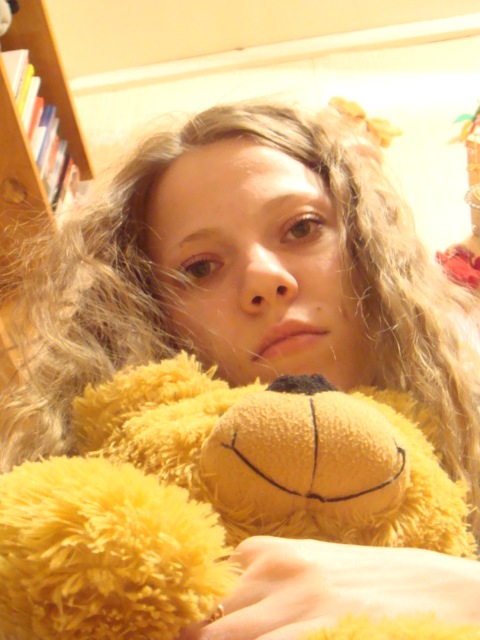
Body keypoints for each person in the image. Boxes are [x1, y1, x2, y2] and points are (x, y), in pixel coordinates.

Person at [1, 99, 479, 637]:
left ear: (367, 244)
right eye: (201, 267)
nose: (264, 279)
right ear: (152, 314)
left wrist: (456, 590)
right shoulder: (122, 525)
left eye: (302, 228)